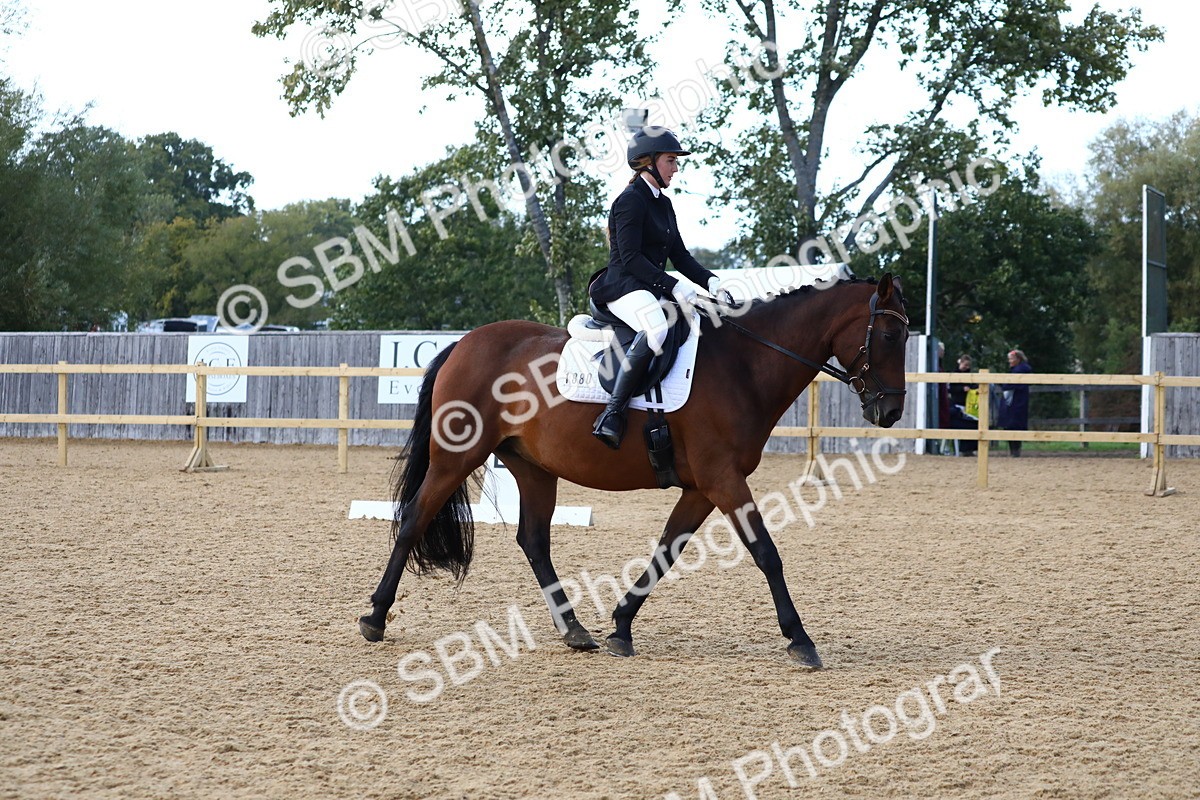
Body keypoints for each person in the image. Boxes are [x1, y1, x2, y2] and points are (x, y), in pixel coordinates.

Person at [587, 127, 727, 450]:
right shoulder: (629, 201)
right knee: (657, 327)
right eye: (670, 161)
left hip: (649, 287)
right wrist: (673, 286)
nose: (675, 168)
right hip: (622, 287)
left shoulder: (663, 205)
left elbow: (679, 255)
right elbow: (631, 258)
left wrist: (711, 282)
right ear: (647, 162)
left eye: (675, 161)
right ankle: (612, 413)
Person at [998, 349, 1032, 457]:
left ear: (1018, 359)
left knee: (1013, 424)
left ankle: (1015, 450)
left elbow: (1014, 385)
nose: (1010, 361)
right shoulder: (1016, 370)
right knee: (1012, 425)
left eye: (1011, 359)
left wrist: (1003, 384)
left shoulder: (1020, 371)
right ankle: (1014, 450)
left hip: (1016, 402)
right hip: (1015, 401)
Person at [949, 354, 978, 455]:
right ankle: (964, 449)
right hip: (957, 406)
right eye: (965, 365)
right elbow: (950, 389)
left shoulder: (970, 375)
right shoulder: (954, 374)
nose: (967, 367)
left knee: (975, 423)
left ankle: (970, 449)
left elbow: (974, 385)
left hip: (968, 406)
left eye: (968, 365)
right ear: (960, 363)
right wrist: (962, 389)